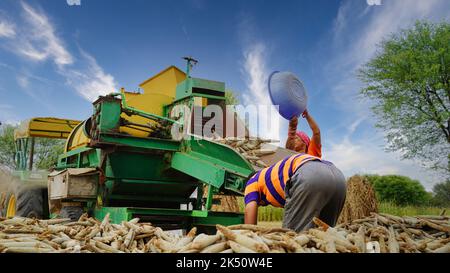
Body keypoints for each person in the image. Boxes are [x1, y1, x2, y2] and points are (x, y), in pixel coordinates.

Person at [244, 153, 346, 232]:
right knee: (324, 236)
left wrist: (249, 237)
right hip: (339, 178)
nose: (261, 205)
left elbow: (250, 209)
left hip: (311, 175)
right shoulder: (272, 178)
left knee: (294, 238)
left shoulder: (253, 180)